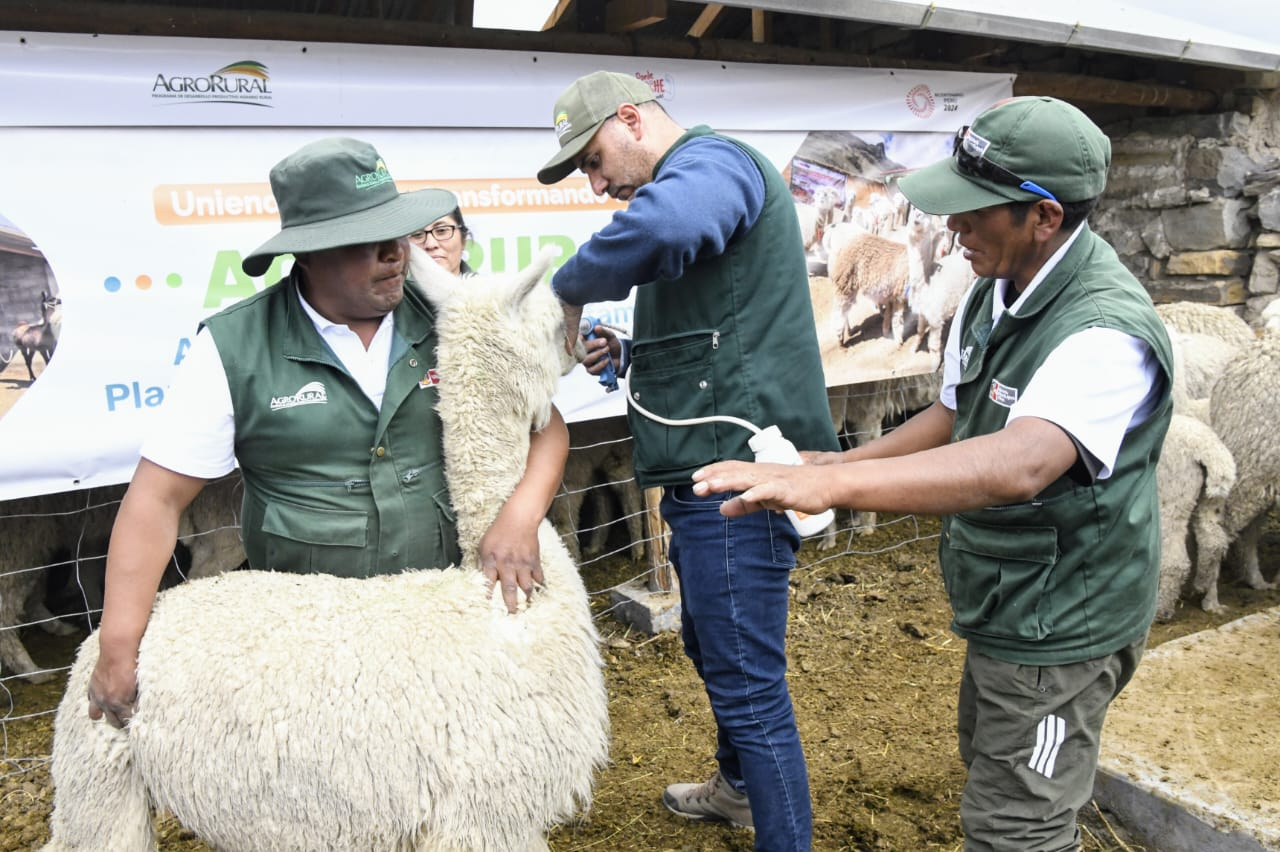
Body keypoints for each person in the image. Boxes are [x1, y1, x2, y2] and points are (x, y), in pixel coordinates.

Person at [693, 96, 1174, 850]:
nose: (953, 227)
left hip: (1065, 618)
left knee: (1018, 824)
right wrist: (844, 461)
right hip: (1006, 597)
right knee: (993, 768)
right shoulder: (992, 289)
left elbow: (1021, 463)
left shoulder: (1104, 330)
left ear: (1043, 217)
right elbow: (957, 413)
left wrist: (833, 488)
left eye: (975, 211)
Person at [87, 137, 569, 729]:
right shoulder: (235, 348)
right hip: (311, 642)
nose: (396, 254)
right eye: (367, 242)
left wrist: (519, 518)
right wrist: (118, 645)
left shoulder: (452, 315)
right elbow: (157, 500)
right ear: (309, 254)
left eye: (398, 235)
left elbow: (546, 428)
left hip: (444, 612)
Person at [537, 70, 839, 851]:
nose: (598, 183)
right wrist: (633, 351)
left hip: (738, 480)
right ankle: (740, 791)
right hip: (704, 473)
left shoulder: (713, 167)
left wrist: (565, 291)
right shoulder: (693, 181)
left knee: (748, 686)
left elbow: (672, 229)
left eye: (595, 160)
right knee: (715, 643)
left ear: (632, 118)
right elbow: (721, 330)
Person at [410, 194, 476, 278]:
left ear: (463, 239)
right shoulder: (393, 290)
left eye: (441, 230)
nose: (430, 244)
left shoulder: (490, 290)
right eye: (417, 234)